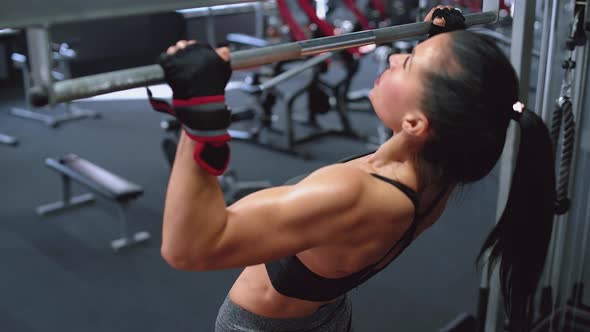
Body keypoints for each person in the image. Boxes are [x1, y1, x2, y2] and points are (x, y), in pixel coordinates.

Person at [153, 6, 556, 332]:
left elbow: (190, 248)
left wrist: (200, 114)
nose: (395, 55)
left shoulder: (353, 193)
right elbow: (450, 109)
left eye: (409, 63)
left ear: (417, 123)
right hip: (326, 316)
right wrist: (440, 45)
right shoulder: (445, 165)